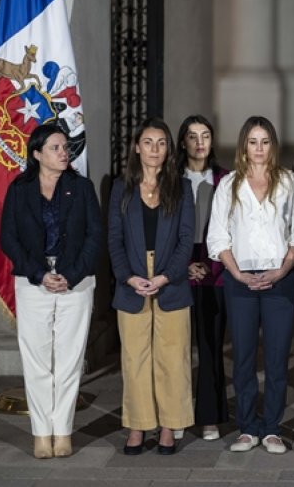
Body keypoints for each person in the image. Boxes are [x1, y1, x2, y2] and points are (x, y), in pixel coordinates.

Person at [207, 116, 294, 455]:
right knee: (244, 357)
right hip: (241, 282)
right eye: (253, 141)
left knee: (279, 357)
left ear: (273, 145)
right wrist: (236, 274)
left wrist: (282, 270)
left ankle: (272, 429)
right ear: (243, 145)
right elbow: (218, 235)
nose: (259, 148)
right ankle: (248, 428)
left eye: (265, 141)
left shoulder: (289, 182)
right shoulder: (229, 185)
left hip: (279, 280)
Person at [0, 123, 101, 459]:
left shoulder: (82, 187)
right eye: (56, 147)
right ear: (38, 153)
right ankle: (42, 433)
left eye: (66, 148)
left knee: (69, 360)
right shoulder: (19, 189)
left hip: (76, 281)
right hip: (33, 283)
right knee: (37, 359)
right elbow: (8, 238)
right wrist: (41, 274)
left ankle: (63, 430)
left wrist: (70, 275)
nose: (64, 153)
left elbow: (94, 238)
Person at [108, 117, 195, 456]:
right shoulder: (120, 188)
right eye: (148, 142)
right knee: (134, 358)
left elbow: (186, 240)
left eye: (161, 143)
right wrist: (128, 276)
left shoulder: (182, 188)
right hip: (131, 278)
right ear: (137, 147)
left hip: (169, 279)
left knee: (172, 358)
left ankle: (170, 426)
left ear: (169, 149)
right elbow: (113, 239)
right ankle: (138, 426)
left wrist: (164, 276)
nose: (155, 149)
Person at [177, 115, 229, 442]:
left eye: (205, 135)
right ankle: (177, 413)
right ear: (183, 142)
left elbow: (232, 229)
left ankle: (209, 416)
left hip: (215, 269)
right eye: (193, 136)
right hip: (179, 267)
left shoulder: (225, 179)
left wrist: (211, 265)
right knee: (178, 347)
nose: (200, 142)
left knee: (210, 346)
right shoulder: (171, 178)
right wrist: (182, 266)